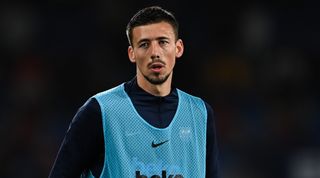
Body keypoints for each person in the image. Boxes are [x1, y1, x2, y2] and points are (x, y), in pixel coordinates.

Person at [49, 6, 219, 178]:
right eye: (144, 44)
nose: (155, 53)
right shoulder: (100, 111)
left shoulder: (200, 113)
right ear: (132, 53)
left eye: (163, 42)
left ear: (178, 48)